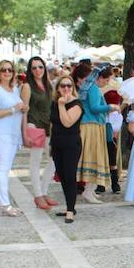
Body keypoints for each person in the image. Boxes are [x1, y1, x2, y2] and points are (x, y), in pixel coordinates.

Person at [0, 60, 27, 217]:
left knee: (7, 169)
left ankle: (4, 201)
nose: (7, 72)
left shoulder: (14, 89)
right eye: (4, 70)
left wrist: (22, 108)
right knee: (3, 169)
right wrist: (12, 109)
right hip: (2, 134)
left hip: (13, 133)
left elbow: (18, 108)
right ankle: (4, 204)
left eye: (10, 70)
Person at [74, 65, 117, 203]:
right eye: (106, 79)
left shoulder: (91, 87)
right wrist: (110, 107)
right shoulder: (93, 88)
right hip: (91, 126)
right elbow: (94, 107)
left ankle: (90, 189)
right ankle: (88, 191)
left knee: (94, 157)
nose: (107, 82)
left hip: (93, 125)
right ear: (100, 78)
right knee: (94, 157)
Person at [21, 56, 58, 210]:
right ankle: (37, 195)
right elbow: (23, 111)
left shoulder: (48, 84)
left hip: (48, 126)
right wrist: (24, 133)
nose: (38, 70)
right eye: (34, 67)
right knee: (35, 162)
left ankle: (43, 191)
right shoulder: (27, 86)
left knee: (54, 160)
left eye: (40, 67)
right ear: (30, 70)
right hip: (33, 124)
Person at [50, 76, 84, 224]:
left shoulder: (76, 104)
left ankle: (70, 210)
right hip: (57, 144)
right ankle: (69, 206)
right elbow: (53, 124)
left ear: (73, 88)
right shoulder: (55, 103)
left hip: (71, 145)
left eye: (69, 86)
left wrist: (62, 105)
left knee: (70, 177)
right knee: (62, 177)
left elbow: (67, 122)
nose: (66, 88)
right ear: (58, 88)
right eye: (63, 86)